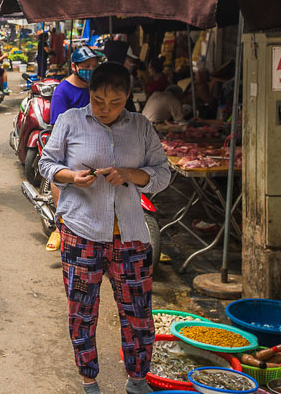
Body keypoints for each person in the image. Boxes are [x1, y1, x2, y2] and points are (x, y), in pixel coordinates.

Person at [39, 62, 170, 394]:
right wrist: (71, 177)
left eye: (115, 102)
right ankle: (88, 379)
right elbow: (46, 162)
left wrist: (129, 173)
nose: (106, 109)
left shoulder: (141, 126)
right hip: (81, 233)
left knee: (138, 313)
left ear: (128, 95)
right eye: (98, 101)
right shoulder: (70, 121)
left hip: (130, 236)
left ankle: (137, 379)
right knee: (82, 311)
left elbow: (163, 173)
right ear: (89, 94)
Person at [49, 47, 99, 125]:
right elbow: (58, 127)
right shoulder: (62, 92)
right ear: (74, 67)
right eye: (86, 66)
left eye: (94, 66)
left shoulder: (96, 86)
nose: (91, 70)